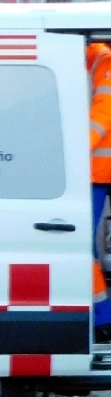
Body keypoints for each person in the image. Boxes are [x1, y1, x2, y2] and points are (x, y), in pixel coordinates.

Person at [88, 42, 111, 341]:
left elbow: (103, 115)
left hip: (96, 171)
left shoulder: (102, 61)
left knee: (83, 245)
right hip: (97, 172)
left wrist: (75, 152)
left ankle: (102, 317)